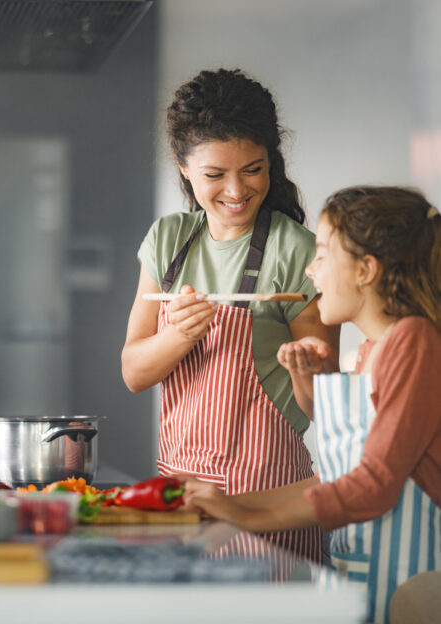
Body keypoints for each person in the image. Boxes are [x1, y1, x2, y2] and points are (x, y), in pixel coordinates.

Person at [181, 186, 441, 624]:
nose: (310, 269)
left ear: (366, 270)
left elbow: (374, 485)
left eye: (321, 253)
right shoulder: (371, 350)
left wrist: (248, 518)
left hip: (413, 586)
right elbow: (337, 477)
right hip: (363, 573)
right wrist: (232, 502)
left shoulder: (413, 341)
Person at [122, 68, 338, 561]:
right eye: (215, 175)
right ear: (182, 165)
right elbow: (133, 372)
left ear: (271, 162)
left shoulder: (297, 250)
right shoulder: (168, 241)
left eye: (253, 169)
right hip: (180, 487)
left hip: (269, 495)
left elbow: (321, 405)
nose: (236, 191)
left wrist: (309, 367)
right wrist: (177, 335)